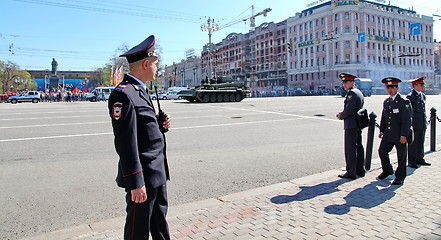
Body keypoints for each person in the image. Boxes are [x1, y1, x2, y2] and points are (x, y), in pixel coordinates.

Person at [108, 35, 171, 240]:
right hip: (143, 177)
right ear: (146, 64)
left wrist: (160, 125)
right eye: (155, 64)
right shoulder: (123, 94)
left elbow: (142, 128)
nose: (157, 69)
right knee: (138, 232)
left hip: (157, 172)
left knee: (160, 225)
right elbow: (125, 142)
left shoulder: (140, 90)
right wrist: (136, 182)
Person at [378, 77, 412, 185]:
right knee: (382, 151)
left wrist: (404, 135)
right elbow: (384, 117)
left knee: (401, 156)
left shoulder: (404, 102)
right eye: (388, 87)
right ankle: (387, 170)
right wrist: (382, 130)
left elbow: (407, 120)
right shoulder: (386, 101)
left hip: (399, 134)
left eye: (392, 87)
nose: (390, 89)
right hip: (388, 133)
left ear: (397, 88)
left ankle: (400, 176)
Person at [336, 73, 365, 179]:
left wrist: (341, 115)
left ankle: (351, 172)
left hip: (351, 124)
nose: (344, 84)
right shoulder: (358, 92)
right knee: (358, 147)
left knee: (350, 149)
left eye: (346, 82)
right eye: (343, 82)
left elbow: (349, 110)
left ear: (352, 82)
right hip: (357, 123)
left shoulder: (351, 94)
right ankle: (360, 169)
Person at [407, 76, 431, 168]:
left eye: (423, 84)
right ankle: (412, 161)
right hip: (415, 124)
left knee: (421, 141)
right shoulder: (411, 97)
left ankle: (420, 159)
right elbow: (408, 112)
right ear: (415, 85)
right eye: (421, 84)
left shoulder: (422, 95)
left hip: (422, 123)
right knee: (413, 143)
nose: (423, 86)